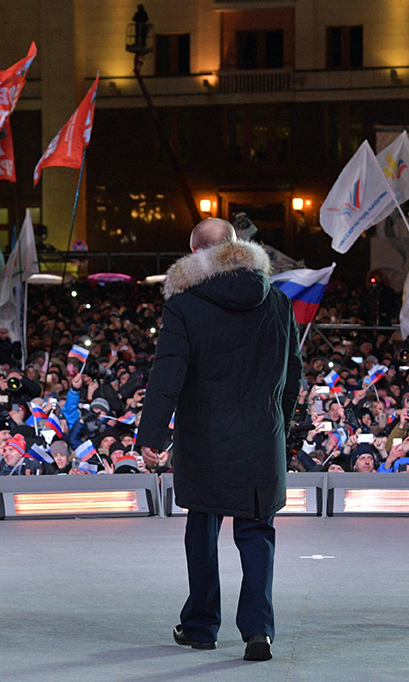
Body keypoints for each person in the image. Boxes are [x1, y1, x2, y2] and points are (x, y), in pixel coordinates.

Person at [139, 218, 302, 662]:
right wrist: (277, 426)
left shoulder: (184, 306)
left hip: (206, 438)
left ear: (196, 254)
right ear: (235, 248)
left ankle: (200, 627)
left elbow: (167, 375)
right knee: (257, 534)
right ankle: (258, 631)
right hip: (260, 438)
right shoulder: (280, 304)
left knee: (202, 529)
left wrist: (151, 435)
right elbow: (293, 378)